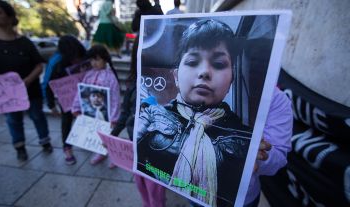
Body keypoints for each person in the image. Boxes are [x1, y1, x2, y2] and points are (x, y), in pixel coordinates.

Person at [136, 19, 292, 207]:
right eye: (193, 62)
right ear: (176, 76)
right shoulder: (155, 117)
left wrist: (257, 155)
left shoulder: (249, 127)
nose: (204, 72)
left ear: (231, 80)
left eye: (218, 64)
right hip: (193, 197)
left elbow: (278, 160)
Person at [0, 0, 53, 161]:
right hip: (5, 93)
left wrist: (27, 80)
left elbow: (38, 65)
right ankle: (19, 147)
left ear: (9, 15)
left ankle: (45, 142)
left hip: (29, 90)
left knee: (37, 116)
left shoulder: (25, 42)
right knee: (13, 119)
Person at [111, 37, 166, 207]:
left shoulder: (166, 84)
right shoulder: (132, 84)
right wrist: (112, 136)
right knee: (140, 184)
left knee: (155, 188)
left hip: (156, 150)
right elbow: (125, 112)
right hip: (134, 146)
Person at [71, 44, 121, 166]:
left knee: (108, 136)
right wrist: (76, 107)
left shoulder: (110, 76)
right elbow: (82, 92)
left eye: (97, 59)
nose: (94, 62)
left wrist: (114, 117)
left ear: (105, 59)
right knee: (96, 134)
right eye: (92, 59)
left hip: (106, 114)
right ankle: (101, 152)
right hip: (91, 112)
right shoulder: (89, 74)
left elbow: (115, 97)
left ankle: (115, 157)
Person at [44, 35, 87, 165]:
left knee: (87, 120)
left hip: (85, 98)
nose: (76, 60)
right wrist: (51, 105)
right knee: (66, 121)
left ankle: (89, 141)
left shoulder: (85, 59)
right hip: (67, 99)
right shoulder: (57, 64)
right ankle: (67, 147)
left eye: (78, 56)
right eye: (74, 58)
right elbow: (48, 84)